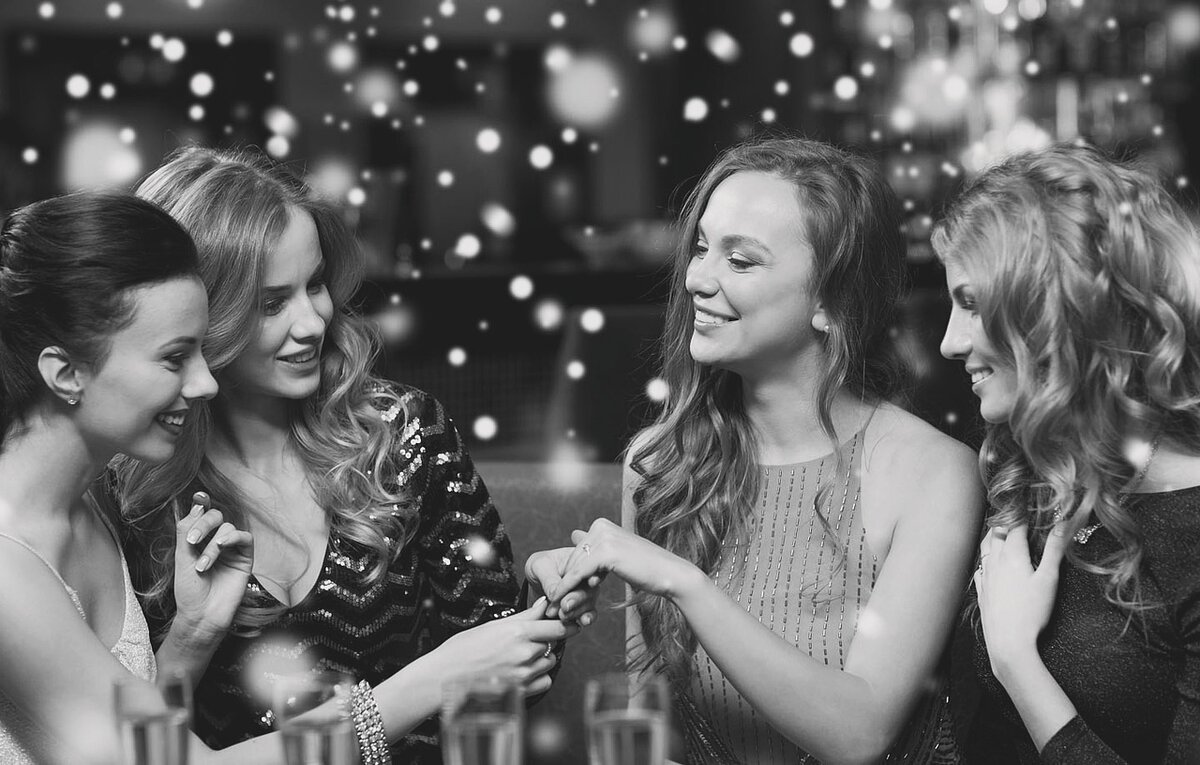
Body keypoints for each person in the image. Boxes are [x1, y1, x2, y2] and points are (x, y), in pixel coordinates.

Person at [113, 147, 589, 764]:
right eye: (271, 303)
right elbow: (136, 750)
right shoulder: (134, 493)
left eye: (314, 285)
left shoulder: (402, 434)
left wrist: (541, 612)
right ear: (198, 313)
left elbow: (500, 680)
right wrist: (191, 636)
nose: (312, 322)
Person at [540, 137, 984, 764]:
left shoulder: (933, 474)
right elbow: (648, 730)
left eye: (741, 261)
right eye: (701, 248)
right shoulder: (662, 463)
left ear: (831, 300)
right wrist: (545, 618)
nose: (696, 279)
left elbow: (858, 734)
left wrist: (684, 583)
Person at [936, 143, 1200, 763]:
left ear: (1058, 308)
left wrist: (1017, 663)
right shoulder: (1034, 470)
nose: (949, 342)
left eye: (972, 304)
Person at [0, 192, 253, 764]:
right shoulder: (6, 564)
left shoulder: (88, 499)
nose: (206, 383)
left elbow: (118, 744)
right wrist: (422, 687)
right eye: (175, 358)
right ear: (66, 373)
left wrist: (193, 633)